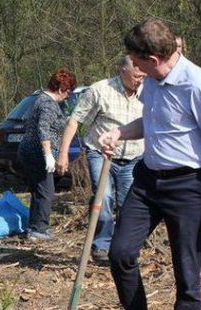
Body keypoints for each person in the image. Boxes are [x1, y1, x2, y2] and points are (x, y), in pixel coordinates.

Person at [97, 18, 201, 310]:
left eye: (136, 61)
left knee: (187, 277)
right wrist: (120, 132)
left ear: (154, 58)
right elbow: (151, 122)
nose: (133, 68)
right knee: (120, 252)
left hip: (188, 187)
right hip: (147, 180)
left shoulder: (198, 85)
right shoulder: (153, 82)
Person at [56, 57, 146, 263]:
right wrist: (63, 153)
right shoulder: (100, 90)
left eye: (143, 76)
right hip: (101, 154)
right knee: (103, 197)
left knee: (128, 205)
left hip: (134, 157)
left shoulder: (148, 92)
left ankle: (122, 248)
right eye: (136, 76)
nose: (140, 80)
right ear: (123, 71)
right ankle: (102, 245)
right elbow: (74, 120)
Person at [17, 69, 77, 241]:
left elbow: (50, 125)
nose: (68, 96)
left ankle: (35, 227)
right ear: (60, 90)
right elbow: (43, 129)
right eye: (68, 91)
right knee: (46, 192)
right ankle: (39, 229)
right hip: (37, 154)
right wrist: (49, 155)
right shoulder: (48, 104)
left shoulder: (41, 100)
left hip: (29, 152)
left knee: (39, 191)